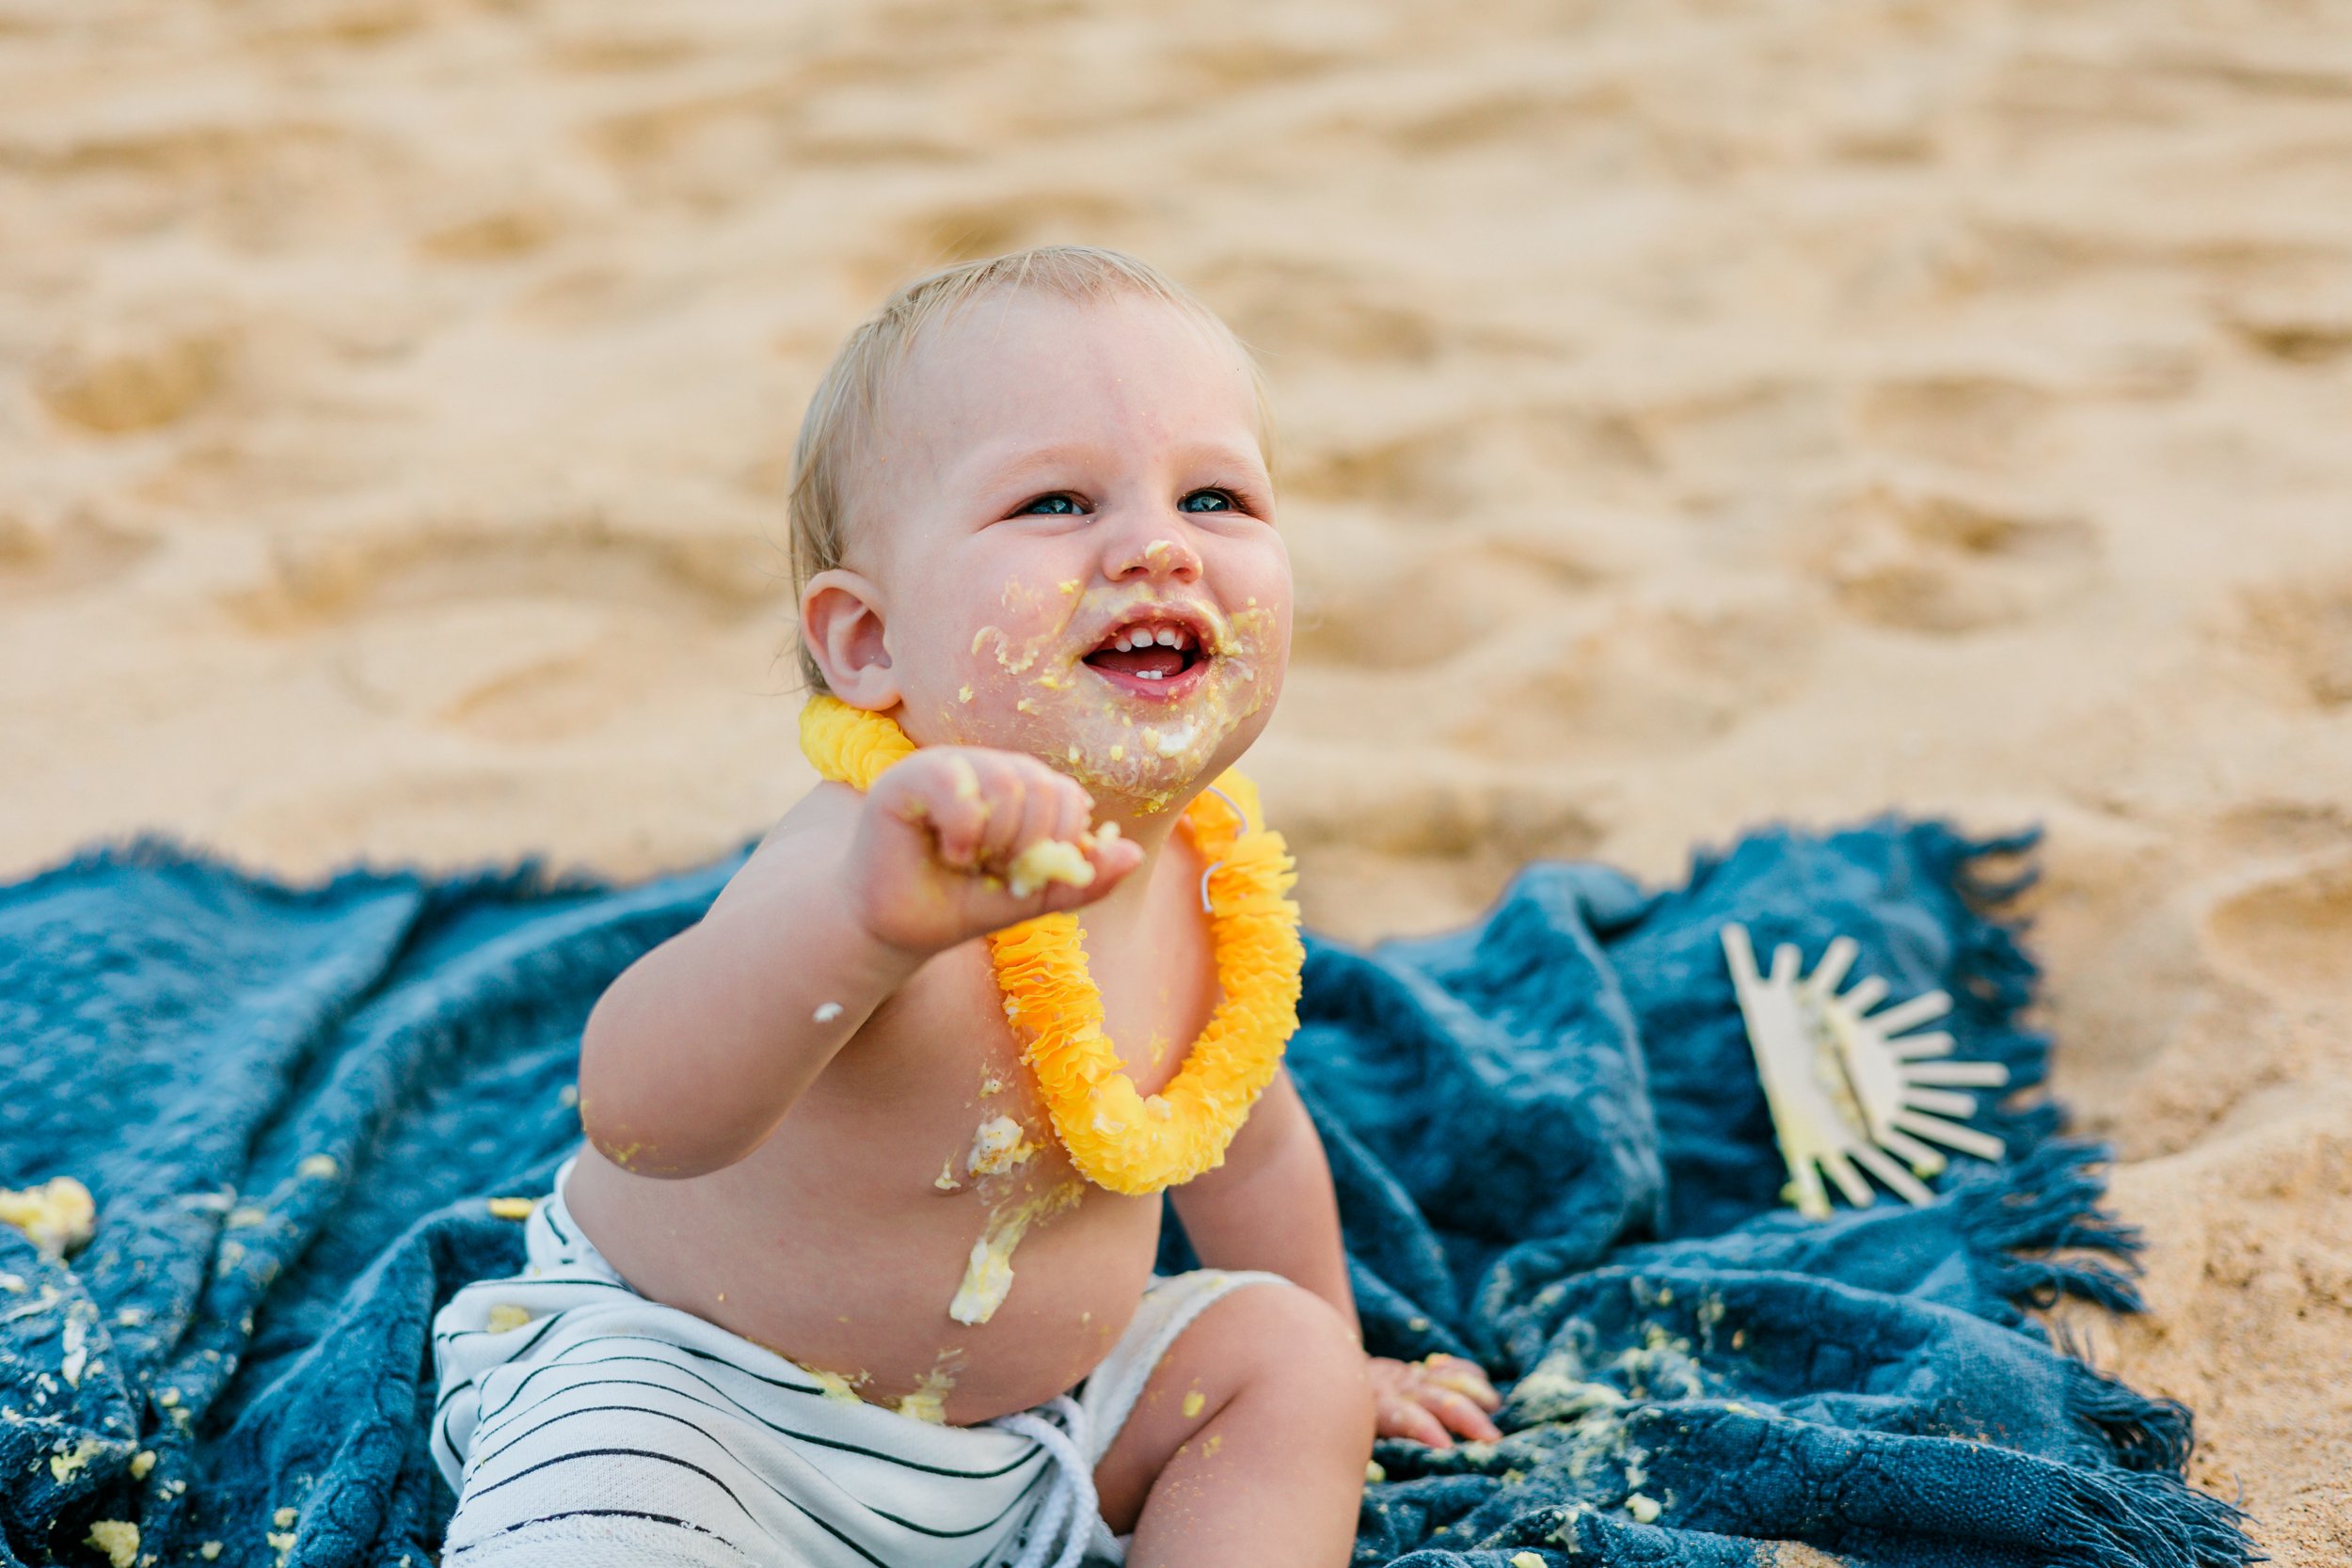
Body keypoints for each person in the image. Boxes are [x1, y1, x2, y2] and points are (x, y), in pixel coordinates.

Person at [430, 246, 1502, 1568]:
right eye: (1056, 501)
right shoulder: (864, 861)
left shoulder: (1210, 886)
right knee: (608, 1514)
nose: (1158, 546)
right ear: (870, 645)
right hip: (706, 1411)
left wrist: (1344, 1350)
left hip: (1032, 1438)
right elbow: (642, 1116)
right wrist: (861, 935)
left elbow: (1252, 1147)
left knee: (1286, 1366)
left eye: (1214, 496)